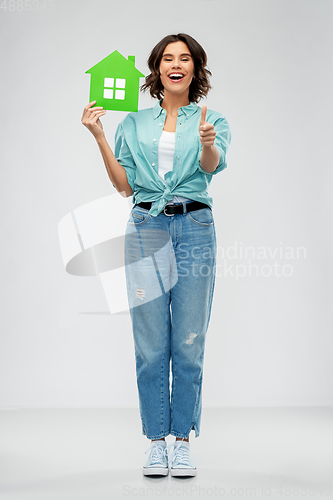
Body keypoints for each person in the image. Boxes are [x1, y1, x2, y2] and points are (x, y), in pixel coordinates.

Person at [81, 33, 231, 477]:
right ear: (157, 69)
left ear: (196, 69)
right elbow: (124, 186)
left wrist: (206, 140)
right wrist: (99, 136)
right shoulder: (134, 124)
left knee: (189, 341)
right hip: (146, 226)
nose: (176, 64)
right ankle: (155, 441)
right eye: (168, 58)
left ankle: (181, 440)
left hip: (195, 227)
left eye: (185, 58)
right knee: (151, 346)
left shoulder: (212, 118)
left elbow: (210, 167)